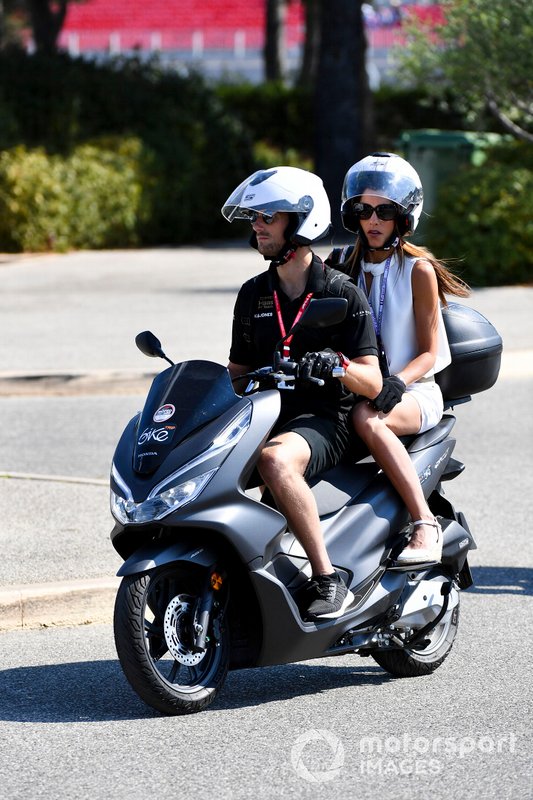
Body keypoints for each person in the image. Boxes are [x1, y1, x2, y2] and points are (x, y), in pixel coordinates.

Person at [221, 166, 382, 620]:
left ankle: (328, 578)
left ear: (302, 221)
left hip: (326, 419)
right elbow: (236, 372)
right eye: (253, 216)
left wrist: (337, 365)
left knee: (274, 460)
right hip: (267, 413)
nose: (256, 225)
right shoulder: (253, 295)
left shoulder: (340, 292)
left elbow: (372, 381)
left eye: (267, 216)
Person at [330, 152, 470, 563]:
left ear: (403, 217)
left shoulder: (417, 270)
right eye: (363, 210)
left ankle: (424, 523)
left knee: (365, 417)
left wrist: (397, 382)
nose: (372, 220)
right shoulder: (342, 265)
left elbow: (429, 353)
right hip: (359, 385)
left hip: (414, 391)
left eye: (384, 211)